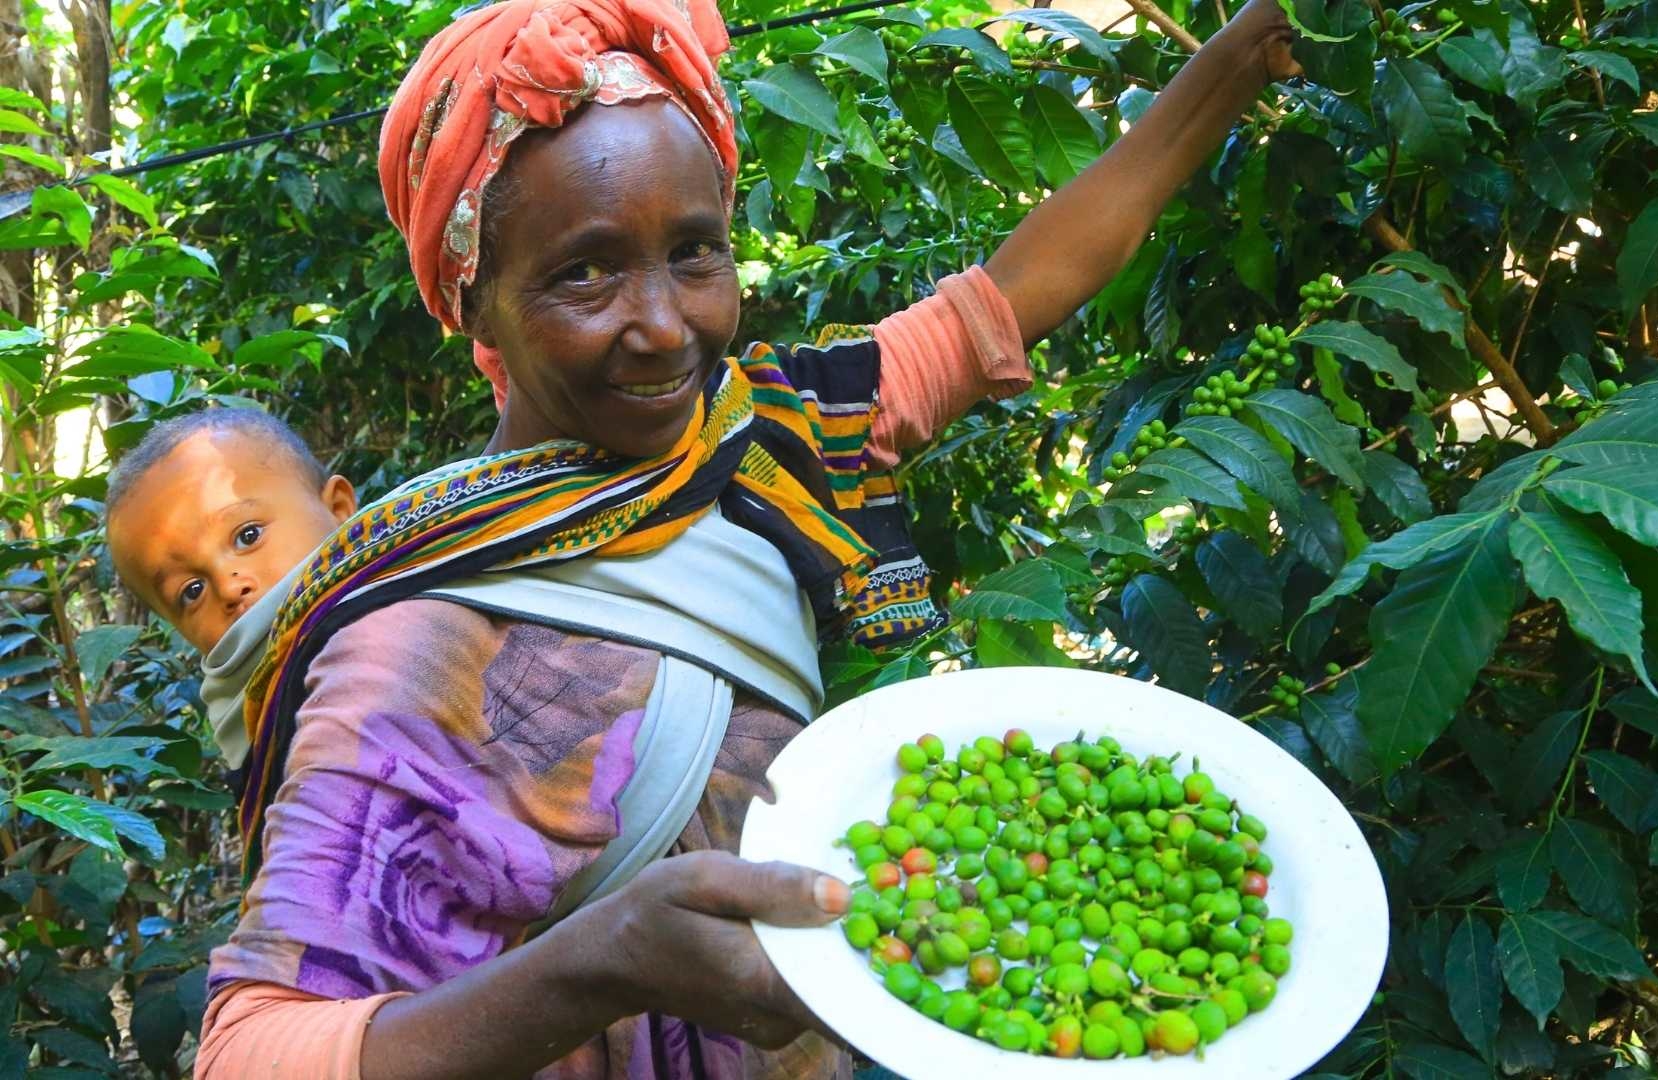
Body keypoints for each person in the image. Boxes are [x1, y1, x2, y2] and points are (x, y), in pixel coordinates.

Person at [180, 0, 1304, 1075]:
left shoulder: (776, 430)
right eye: (586, 271)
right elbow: (251, 1052)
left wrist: (1241, 55)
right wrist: (597, 965)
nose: (666, 326)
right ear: (474, 299)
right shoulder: (417, 647)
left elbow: (1019, 290)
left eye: (697, 254)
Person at [104, 409, 359, 656]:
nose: (229, 588)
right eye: (193, 591)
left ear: (337, 510)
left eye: (248, 536)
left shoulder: (379, 616)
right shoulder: (238, 695)